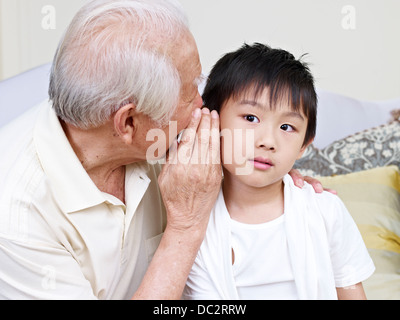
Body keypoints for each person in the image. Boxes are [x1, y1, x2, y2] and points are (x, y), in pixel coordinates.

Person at [0, 1, 325, 300]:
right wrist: (185, 226)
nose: (201, 104)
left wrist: (269, 176)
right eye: (188, 95)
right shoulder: (17, 218)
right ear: (128, 123)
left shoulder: (168, 135)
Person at [183, 43, 375, 300]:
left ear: (304, 145)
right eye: (250, 118)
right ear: (211, 121)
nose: (268, 141)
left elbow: (351, 292)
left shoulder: (325, 211)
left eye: (287, 127)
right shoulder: (187, 219)